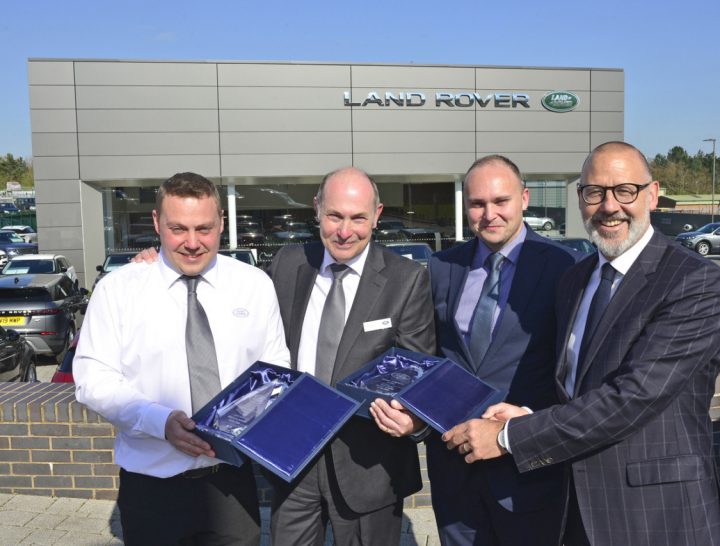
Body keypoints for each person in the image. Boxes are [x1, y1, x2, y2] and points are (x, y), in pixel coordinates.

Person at [444, 142, 720, 545]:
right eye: (595, 192)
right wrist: (526, 413)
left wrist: (510, 436)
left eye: (624, 190)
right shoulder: (576, 280)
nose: (609, 206)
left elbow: (631, 397)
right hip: (576, 504)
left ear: (652, 193)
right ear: (581, 200)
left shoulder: (694, 282)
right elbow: (579, 389)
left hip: (658, 514)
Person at [74, 172, 290, 545]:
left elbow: (276, 370)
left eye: (204, 228)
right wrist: (159, 421)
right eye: (178, 229)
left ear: (222, 222)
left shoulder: (255, 285)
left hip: (232, 484)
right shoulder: (117, 291)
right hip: (151, 487)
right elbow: (94, 380)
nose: (192, 243)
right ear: (157, 223)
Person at [380, 155, 577, 545]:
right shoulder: (441, 267)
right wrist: (416, 418)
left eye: (500, 201)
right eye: (477, 203)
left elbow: (573, 368)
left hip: (527, 470)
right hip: (454, 470)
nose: (490, 214)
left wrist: (528, 425)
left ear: (523, 199)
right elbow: (427, 356)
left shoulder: (565, 267)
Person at [266, 166, 436, 546]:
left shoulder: (406, 279)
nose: (345, 231)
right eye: (334, 216)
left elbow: (418, 372)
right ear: (317, 209)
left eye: (358, 217)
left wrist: (414, 422)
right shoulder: (288, 263)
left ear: (377, 215)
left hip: (368, 466)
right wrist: (156, 261)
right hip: (294, 458)